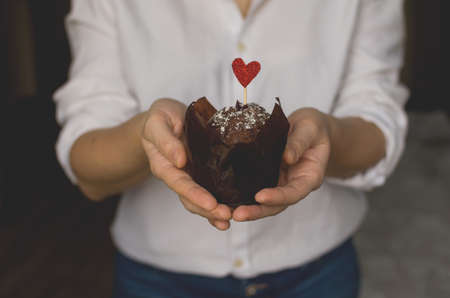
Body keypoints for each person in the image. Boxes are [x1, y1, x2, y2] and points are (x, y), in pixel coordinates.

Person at [54, 0, 408, 297]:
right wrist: (146, 136)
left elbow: (377, 117)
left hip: (317, 275)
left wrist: (328, 133)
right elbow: (86, 161)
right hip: (158, 281)